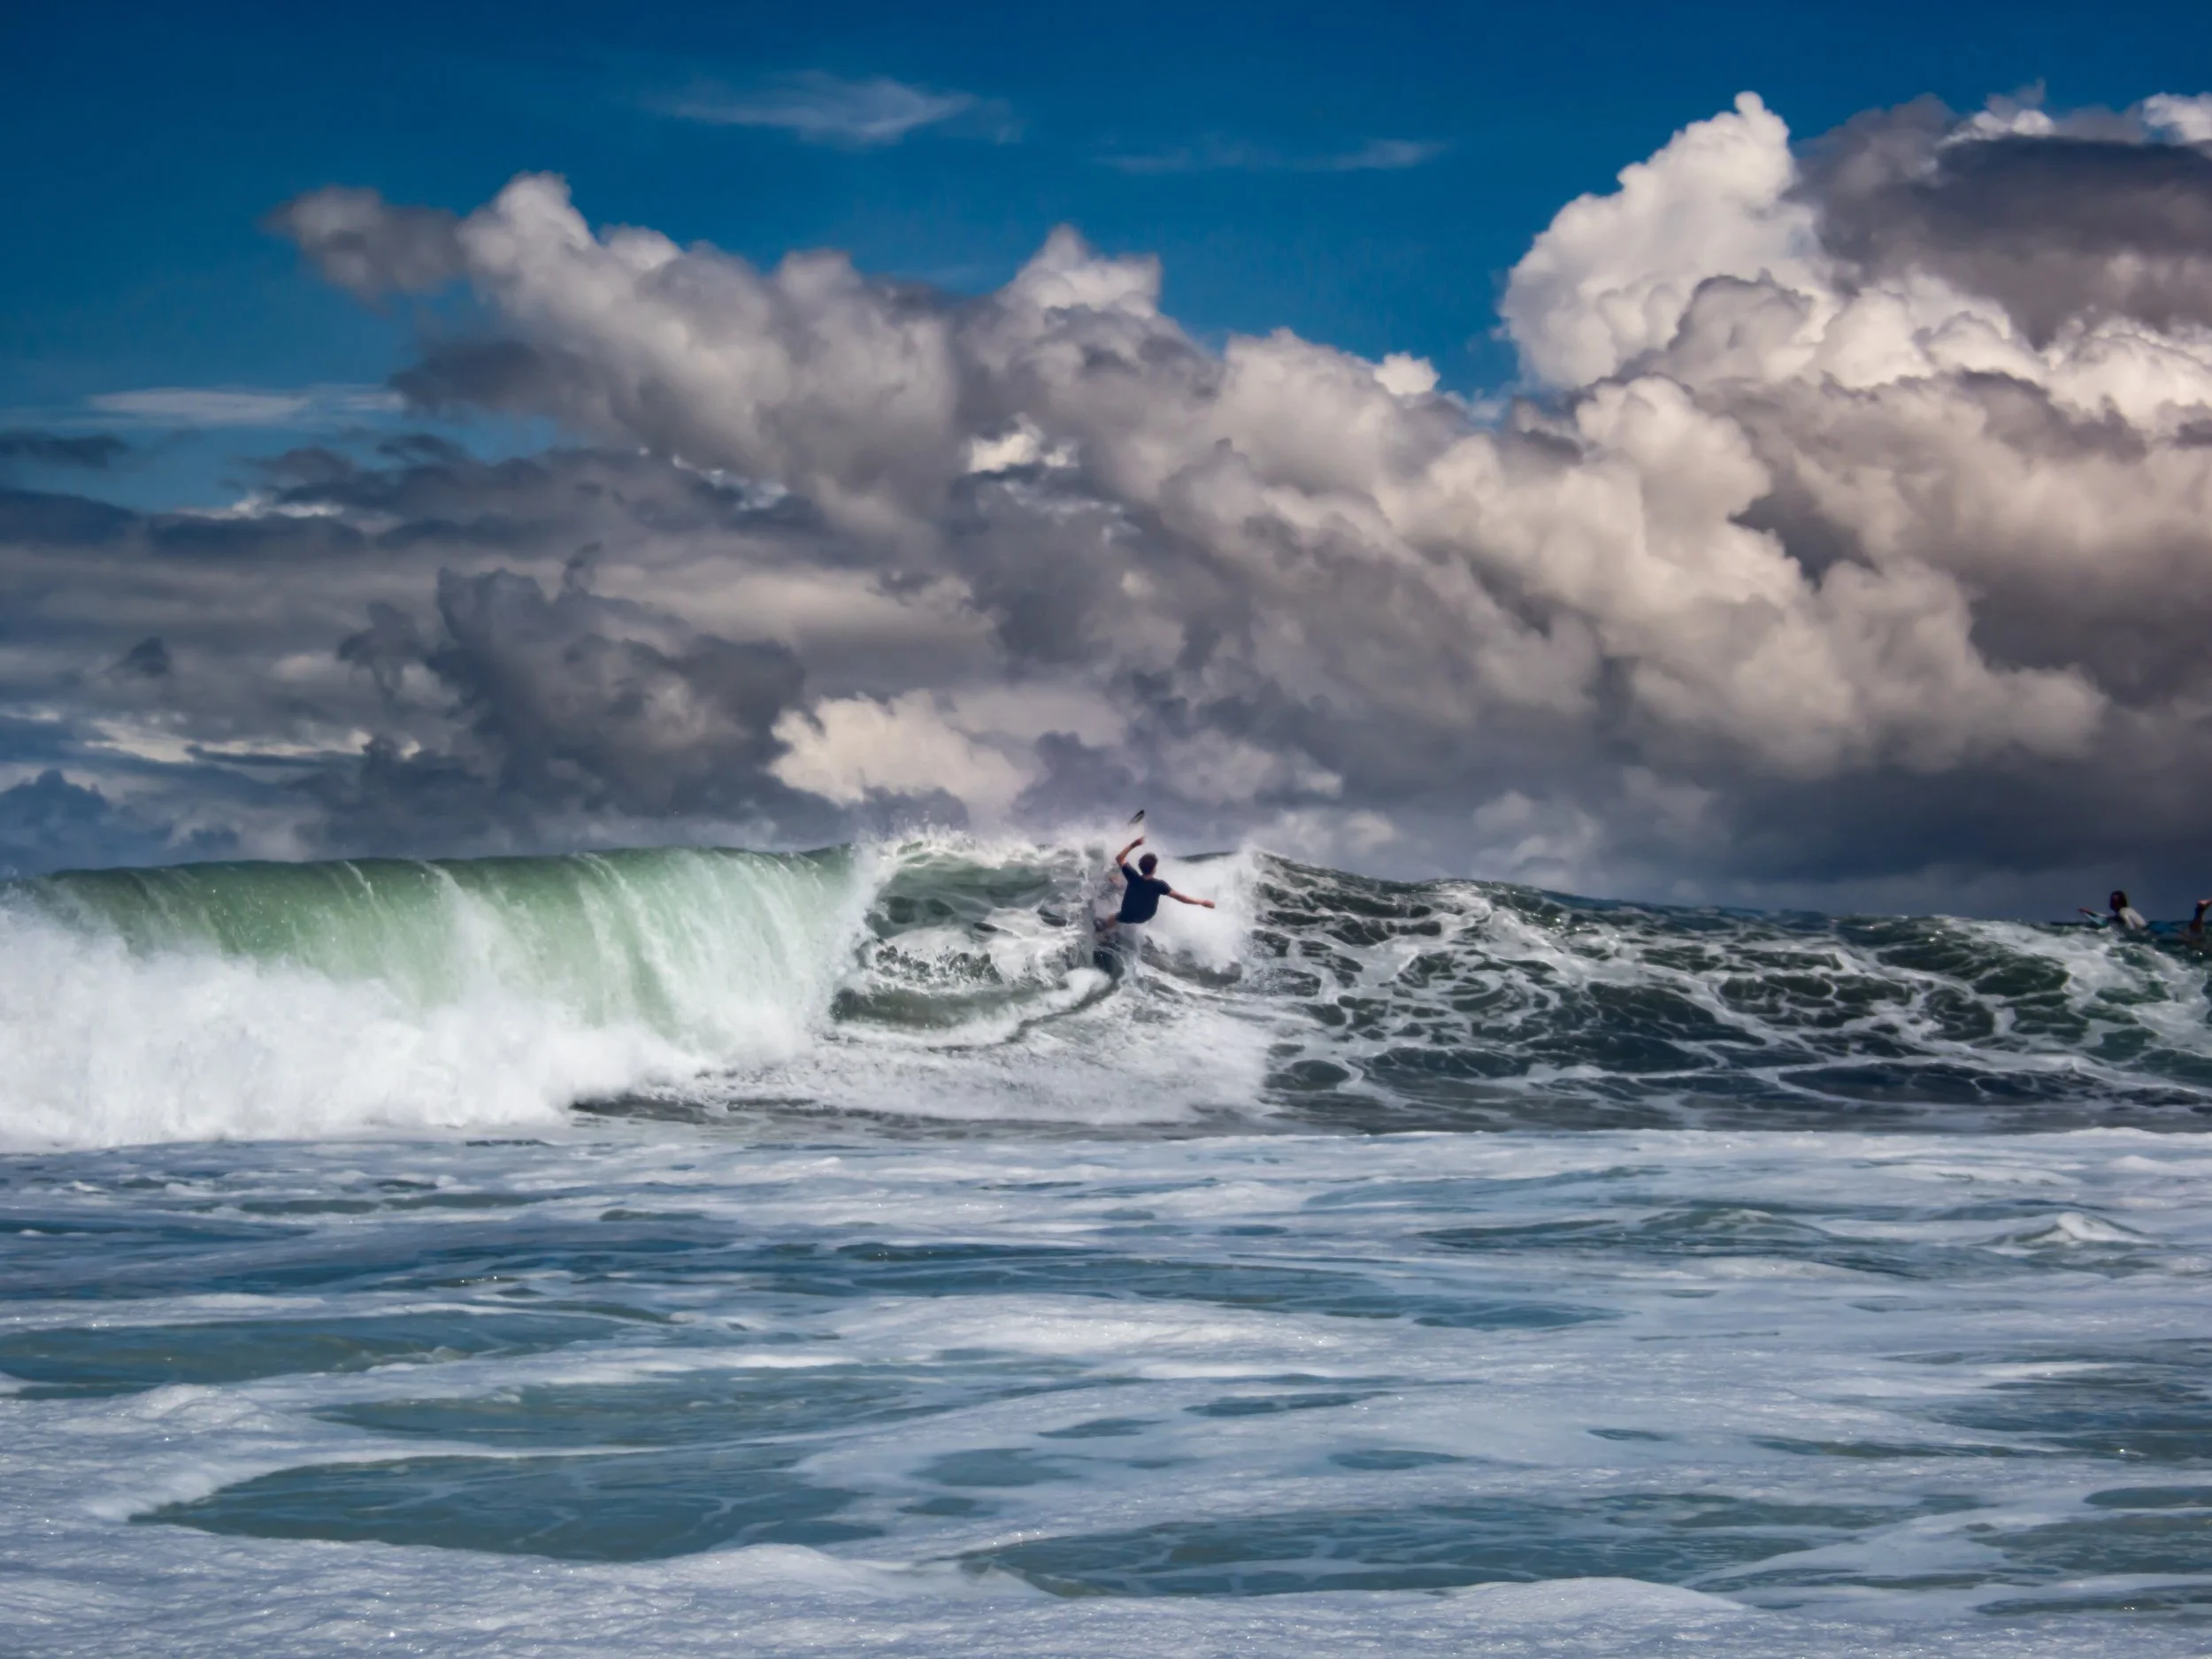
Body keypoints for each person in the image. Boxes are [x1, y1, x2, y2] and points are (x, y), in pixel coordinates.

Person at [1095, 834, 1215, 944]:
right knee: (1128, 887)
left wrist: (1134, 844)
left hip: (1127, 915)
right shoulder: (1159, 885)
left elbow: (1119, 858)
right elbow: (1180, 897)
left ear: (1141, 867)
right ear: (1154, 869)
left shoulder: (1133, 876)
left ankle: (1103, 931)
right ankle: (1118, 884)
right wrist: (1202, 902)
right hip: (1146, 916)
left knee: (1115, 914)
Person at [2079, 889, 2148, 932]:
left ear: (2121, 902)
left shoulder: (2123, 912)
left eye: (2114, 901)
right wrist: (2090, 912)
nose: (2111, 903)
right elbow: (2108, 918)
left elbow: (2131, 927)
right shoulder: (2126, 910)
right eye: (2112, 900)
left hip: (2144, 932)